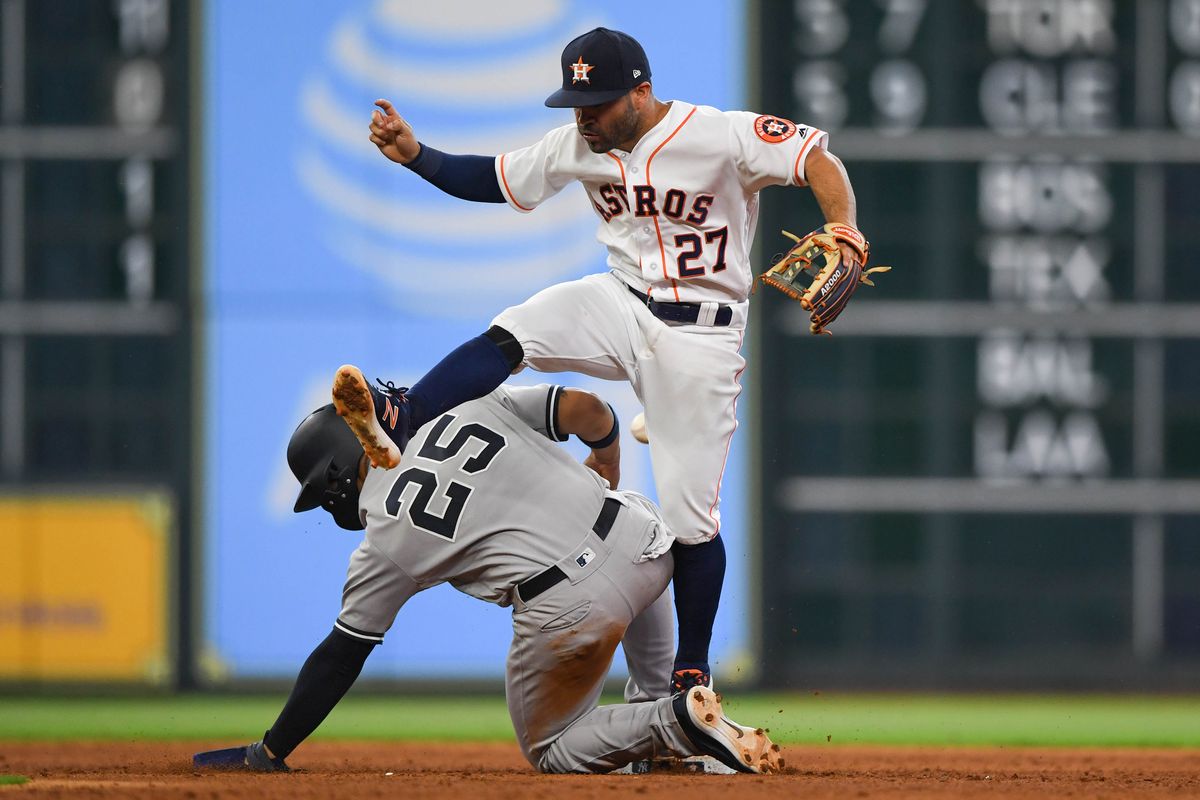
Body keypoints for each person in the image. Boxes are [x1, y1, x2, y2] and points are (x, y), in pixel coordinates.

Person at [361, 27, 863, 693]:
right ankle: (404, 414)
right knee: (518, 329)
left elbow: (815, 159)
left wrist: (847, 227)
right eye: (576, 101)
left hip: (701, 334)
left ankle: (691, 672)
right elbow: (495, 177)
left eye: (596, 102)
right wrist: (417, 156)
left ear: (642, 91)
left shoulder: (718, 134)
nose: (583, 117)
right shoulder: (578, 144)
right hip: (620, 301)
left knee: (689, 516)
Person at [192, 367, 783, 775]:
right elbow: (587, 409)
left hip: (572, 601)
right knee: (646, 675)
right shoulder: (459, 404)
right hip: (643, 540)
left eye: (323, 493)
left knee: (551, 747)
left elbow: (341, 655)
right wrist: (605, 455)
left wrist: (271, 749)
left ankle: (676, 720)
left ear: (340, 475)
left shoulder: (385, 533)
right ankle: (677, 729)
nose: (327, 505)